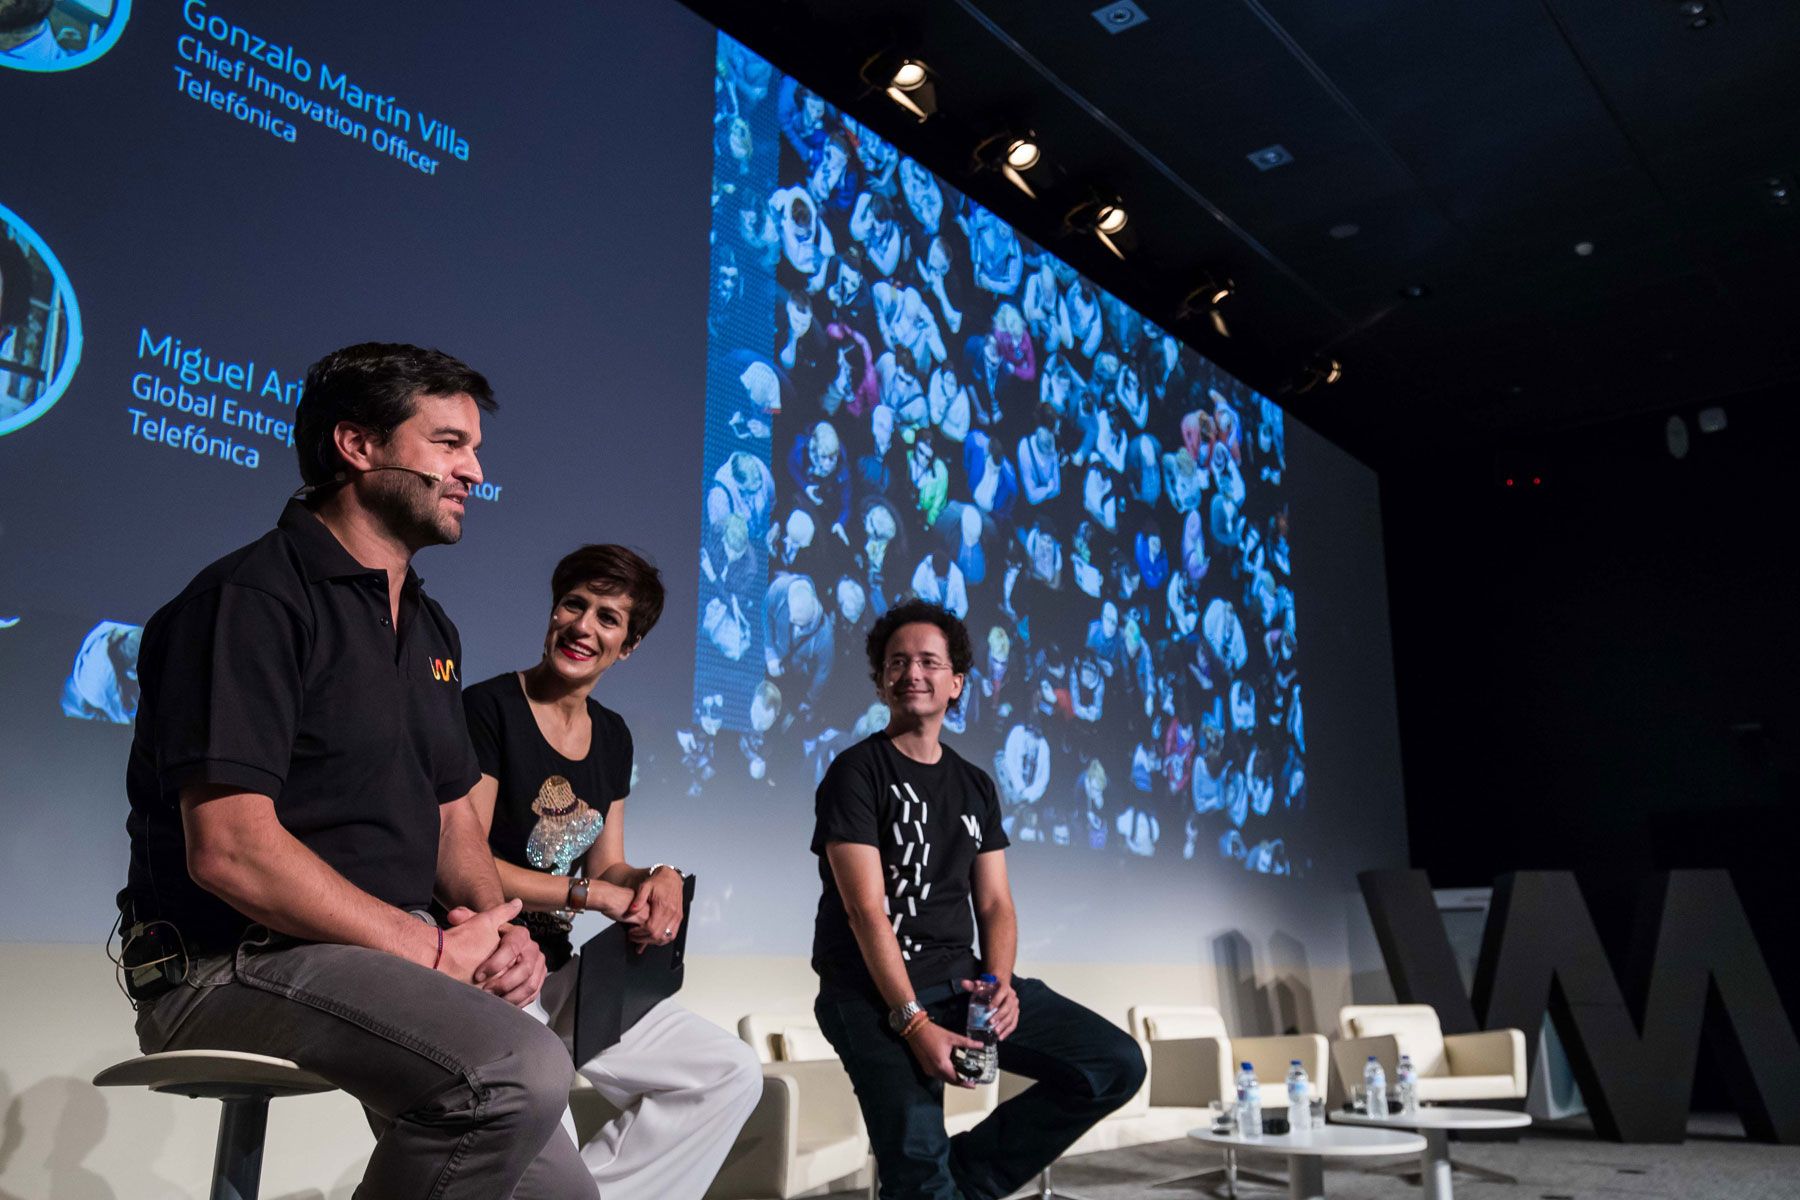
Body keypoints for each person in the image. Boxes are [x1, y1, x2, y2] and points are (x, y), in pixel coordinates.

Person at [120, 342, 587, 1198]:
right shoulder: (251, 600)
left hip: (383, 950)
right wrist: (431, 948)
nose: (474, 470)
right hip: (229, 958)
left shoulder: (434, 630)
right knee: (515, 1070)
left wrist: (504, 925)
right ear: (357, 446)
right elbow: (230, 851)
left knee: (560, 1191)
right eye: (449, 444)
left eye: (474, 449)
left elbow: (452, 815)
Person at [810, 600, 1145, 1199]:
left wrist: (1000, 984)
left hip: (962, 985)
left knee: (1113, 1064)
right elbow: (865, 911)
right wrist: (912, 1023)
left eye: (929, 662)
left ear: (956, 683)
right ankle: (935, 1176)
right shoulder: (855, 772)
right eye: (897, 662)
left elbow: (995, 905)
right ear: (881, 680)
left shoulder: (975, 784)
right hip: (872, 998)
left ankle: (965, 1173)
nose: (913, 672)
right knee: (918, 1176)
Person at [462, 544, 761, 1200]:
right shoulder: (488, 709)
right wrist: (587, 893)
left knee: (731, 1073)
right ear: (552, 611)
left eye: (607, 618)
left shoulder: (615, 735)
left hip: (566, 973)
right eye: (574, 605)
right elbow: (465, 860)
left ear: (627, 645)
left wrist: (659, 875)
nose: (583, 627)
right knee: (546, 1132)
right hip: (494, 972)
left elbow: (611, 864)